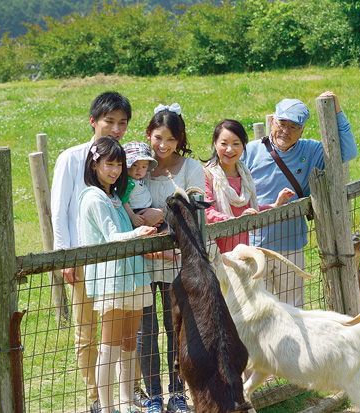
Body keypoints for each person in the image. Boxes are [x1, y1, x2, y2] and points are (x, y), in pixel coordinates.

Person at [51, 91, 145, 413]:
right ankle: (96, 397)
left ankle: (130, 392)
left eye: (123, 122)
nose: (117, 128)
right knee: (87, 330)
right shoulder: (71, 158)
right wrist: (65, 255)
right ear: (93, 121)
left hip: (121, 264)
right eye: (110, 121)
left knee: (122, 328)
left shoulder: (125, 159)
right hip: (84, 257)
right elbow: (59, 211)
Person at [242, 91, 358, 308]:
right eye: (282, 123)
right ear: (273, 121)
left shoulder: (311, 150)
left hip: (291, 244)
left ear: (302, 129)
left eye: (293, 127)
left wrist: (338, 112)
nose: (285, 131)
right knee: (258, 309)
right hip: (255, 246)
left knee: (292, 309)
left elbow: (349, 151)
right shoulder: (251, 151)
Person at [78, 137, 157, 413]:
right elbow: (112, 237)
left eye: (119, 164)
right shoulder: (94, 197)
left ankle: (125, 405)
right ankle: (107, 407)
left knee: (128, 344)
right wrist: (138, 233)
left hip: (133, 277)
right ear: (94, 164)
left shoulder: (113, 196)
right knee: (108, 346)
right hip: (112, 281)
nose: (114, 170)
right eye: (108, 163)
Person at [137, 103, 205, 413]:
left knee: (176, 327)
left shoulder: (190, 168)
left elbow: (195, 212)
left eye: (171, 140)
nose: (163, 146)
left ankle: (178, 392)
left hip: (177, 260)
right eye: (158, 138)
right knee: (146, 328)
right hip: (142, 261)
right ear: (148, 135)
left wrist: (162, 219)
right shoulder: (138, 166)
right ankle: (153, 396)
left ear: (180, 140)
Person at [203, 119, 294, 253]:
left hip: (242, 251)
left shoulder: (245, 174)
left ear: (243, 146)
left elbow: (250, 211)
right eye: (224, 143)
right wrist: (237, 221)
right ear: (215, 144)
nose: (229, 149)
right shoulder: (205, 174)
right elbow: (207, 213)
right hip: (214, 253)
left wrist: (275, 205)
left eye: (236, 144)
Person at [121, 141, 177, 262]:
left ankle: (165, 249)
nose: (139, 170)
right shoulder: (128, 182)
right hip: (137, 212)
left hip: (147, 208)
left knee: (165, 229)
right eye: (135, 165)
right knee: (148, 233)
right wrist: (132, 216)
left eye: (143, 166)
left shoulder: (140, 179)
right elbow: (124, 200)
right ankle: (158, 252)